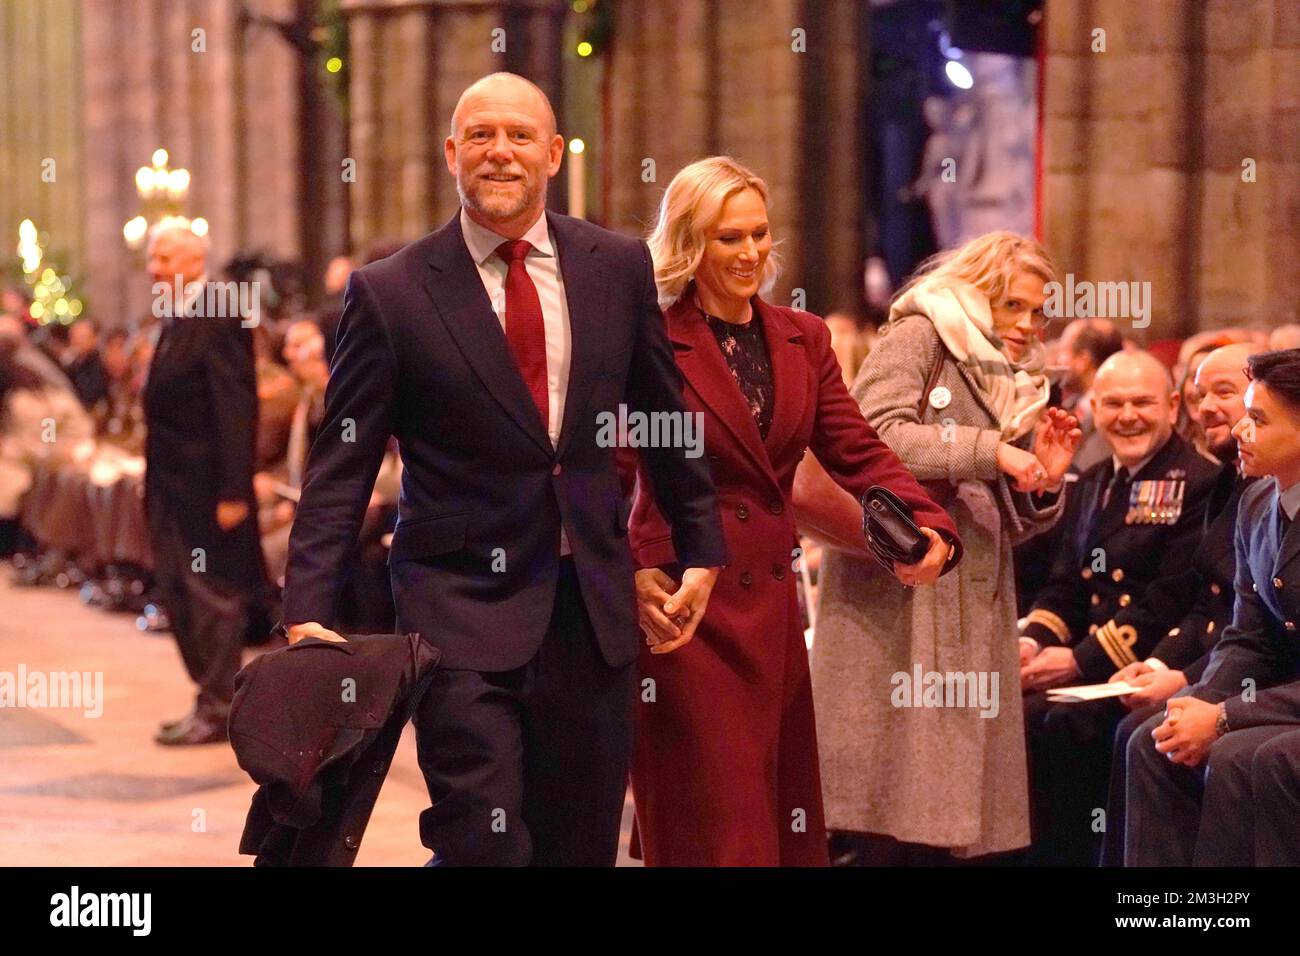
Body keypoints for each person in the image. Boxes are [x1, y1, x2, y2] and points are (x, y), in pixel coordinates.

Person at [279, 73, 727, 867]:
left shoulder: (615, 267)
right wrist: (308, 604)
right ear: (452, 153)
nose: (500, 152)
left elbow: (662, 418)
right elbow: (342, 462)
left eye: (520, 135)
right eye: (481, 135)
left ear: (553, 154)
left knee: (579, 845)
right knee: (481, 841)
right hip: (456, 606)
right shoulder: (392, 293)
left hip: (590, 609)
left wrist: (699, 547)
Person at [625, 157, 960, 866]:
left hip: (772, 611)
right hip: (685, 608)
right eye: (727, 238)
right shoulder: (646, 337)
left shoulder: (803, 337)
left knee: (780, 822)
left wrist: (928, 524)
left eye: (758, 235)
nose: (749, 253)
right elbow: (609, 473)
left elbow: (857, 449)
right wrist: (633, 568)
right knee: (718, 824)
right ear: (690, 243)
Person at [812, 231, 1079, 861]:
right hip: (901, 593)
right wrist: (993, 451)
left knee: (953, 806)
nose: (1026, 324)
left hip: (971, 594)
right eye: (1012, 305)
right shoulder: (921, 334)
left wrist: (1041, 476)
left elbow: (1005, 512)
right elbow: (872, 439)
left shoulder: (1012, 374)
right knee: (890, 801)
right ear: (978, 291)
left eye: (1038, 311)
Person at [1018, 349, 1233, 865]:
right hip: (1091, 661)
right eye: (1113, 403)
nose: (1127, 415)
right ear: (1095, 406)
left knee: (1056, 723)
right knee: (1016, 714)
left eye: (1142, 402)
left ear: (1174, 405)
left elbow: (1169, 598)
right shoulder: (1094, 480)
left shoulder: (1198, 482)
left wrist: (1079, 660)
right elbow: (1068, 585)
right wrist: (1033, 641)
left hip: (1138, 664)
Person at [1124, 349, 1300, 865]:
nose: (1241, 429)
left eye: (1259, 419)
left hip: (1284, 709)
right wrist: (1196, 704)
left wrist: (1223, 716)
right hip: (1281, 698)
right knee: (1155, 739)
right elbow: (1249, 636)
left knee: (1247, 756)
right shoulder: (1256, 501)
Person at [1098, 342, 1261, 865]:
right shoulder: (1234, 483)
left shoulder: (1247, 484)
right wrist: (1165, 667)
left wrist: (1197, 685)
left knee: (1147, 736)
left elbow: (1257, 629)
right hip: (1222, 662)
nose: (1208, 406)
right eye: (1201, 394)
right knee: (1136, 730)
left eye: (1226, 393)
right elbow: (1208, 602)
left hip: (1262, 682)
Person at [142, 220, 263, 746]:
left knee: (212, 597)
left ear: (194, 261)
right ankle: (206, 698)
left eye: (164, 258)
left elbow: (236, 405)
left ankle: (220, 707)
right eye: (152, 258)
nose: (154, 268)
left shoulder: (219, 307)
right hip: (170, 486)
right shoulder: (179, 313)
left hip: (208, 489)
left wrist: (235, 492)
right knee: (176, 590)